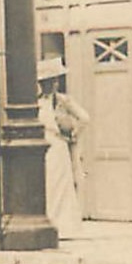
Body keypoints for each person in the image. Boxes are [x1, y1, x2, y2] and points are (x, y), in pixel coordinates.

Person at [38, 57, 89, 239]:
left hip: (57, 146)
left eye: (52, 81)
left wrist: (73, 135)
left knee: (60, 185)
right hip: (43, 147)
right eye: (47, 82)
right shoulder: (38, 102)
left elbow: (84, 118)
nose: (52, 84)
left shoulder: (63, 101)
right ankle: (50, 224)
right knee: (48, 186)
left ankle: (64, 227)